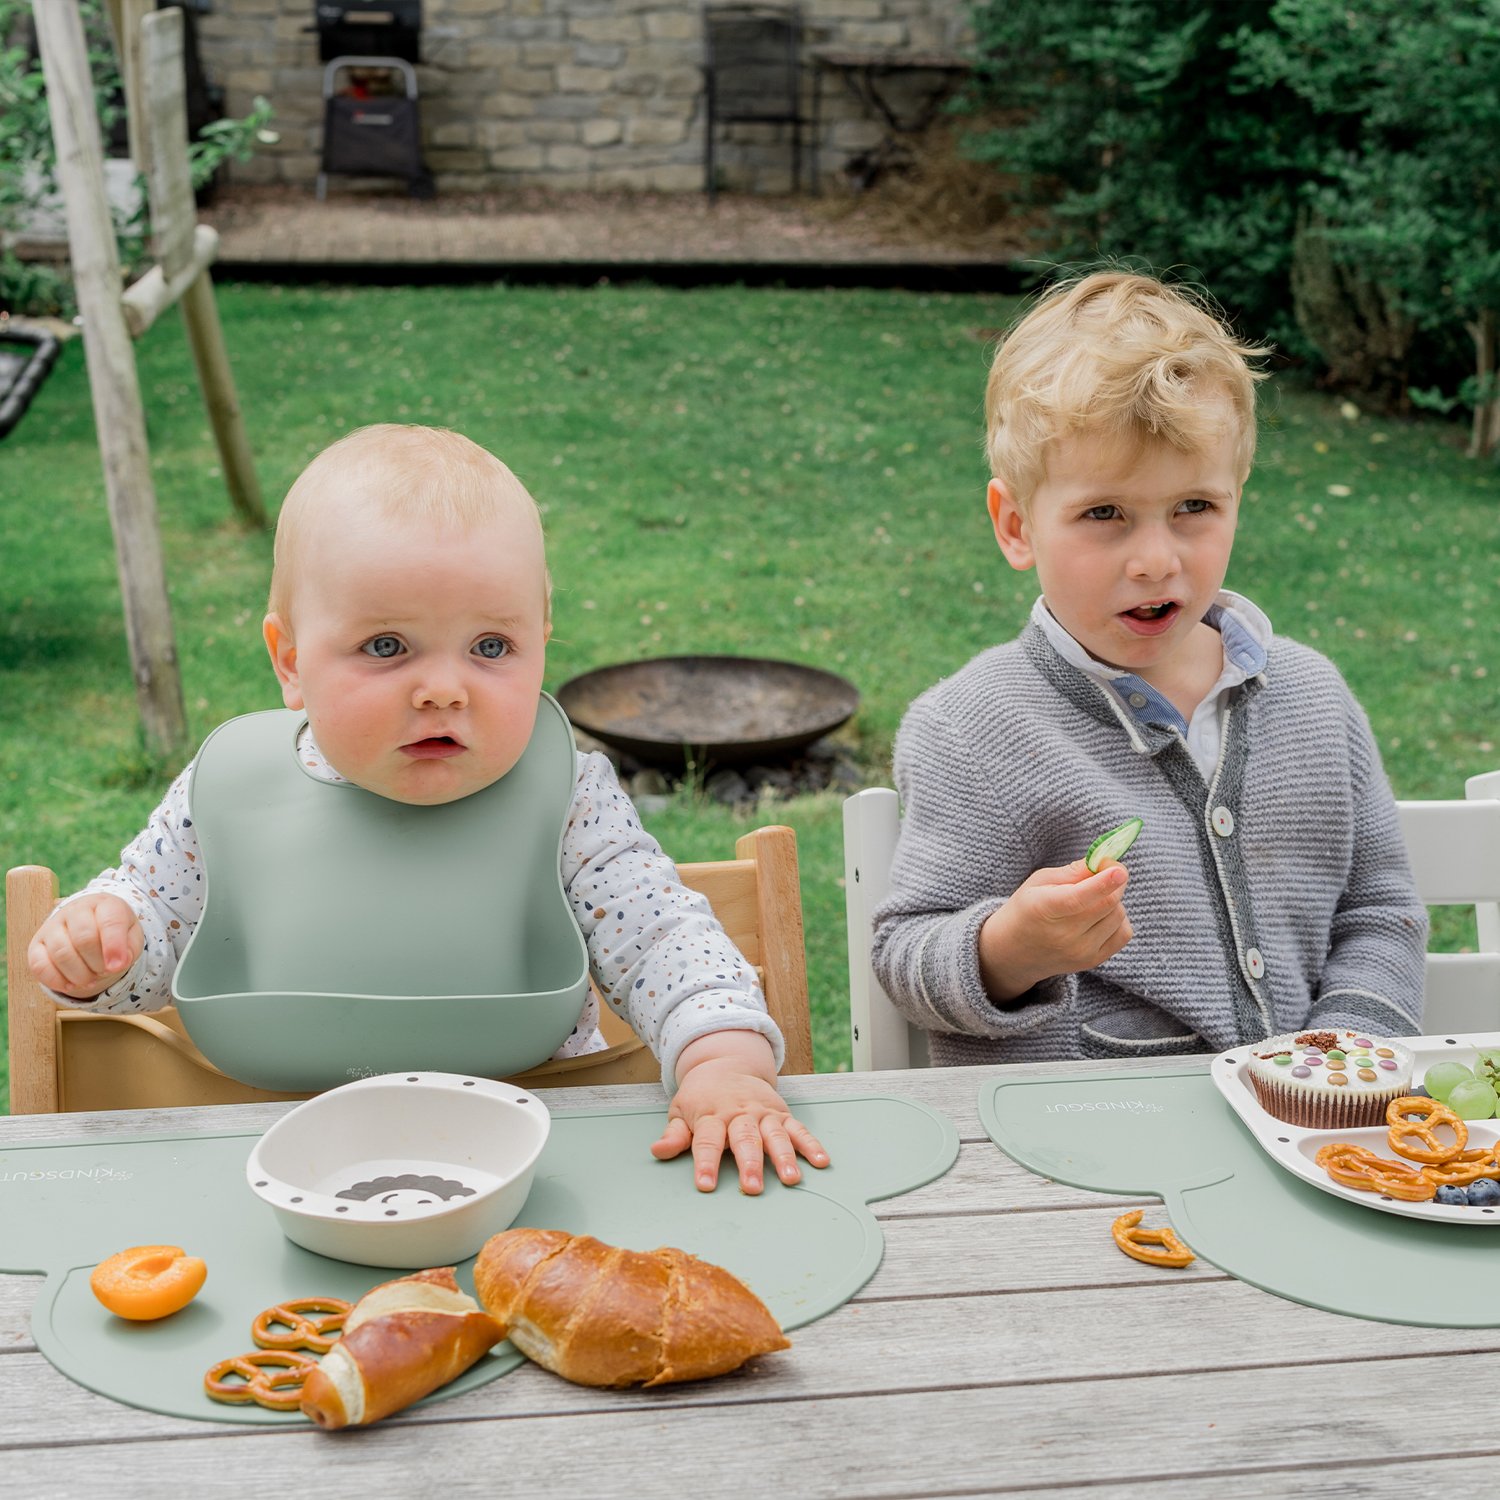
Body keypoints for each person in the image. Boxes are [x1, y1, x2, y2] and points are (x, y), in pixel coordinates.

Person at [28, 424, 828, 1193]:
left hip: (535, 1169)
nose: (445, 687)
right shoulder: (231, 790)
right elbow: (154, 942)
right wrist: (105, 948)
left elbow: (661, 941)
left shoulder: (566, 800)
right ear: (291, 660)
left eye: (491, 647)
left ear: (542, 635)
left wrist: (723, 1062)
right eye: (387, 646)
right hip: (266, 1163)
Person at [872, 270, 1426, 1066]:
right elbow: (907, 954)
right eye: (1105, 515)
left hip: (1309, 1138)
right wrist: (1011, 949)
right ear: (1016, 525)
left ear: (1238, 495)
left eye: (1194, 508)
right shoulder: (970, 729)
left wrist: (1340, 1059)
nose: (1156, 560)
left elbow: (1380, 911)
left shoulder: (1313, 700)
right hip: (1089, 1152)